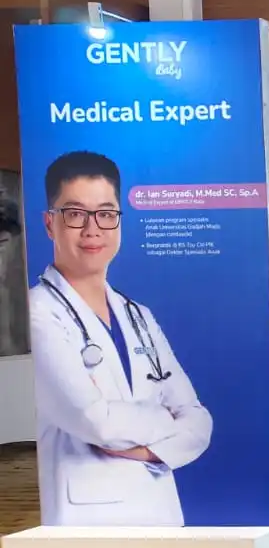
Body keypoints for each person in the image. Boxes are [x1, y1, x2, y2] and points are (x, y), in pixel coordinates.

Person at [29, 150, 212, 527]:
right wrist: (165, 420)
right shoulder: (39, 312)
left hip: (160, 512)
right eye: (75, 213)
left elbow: (198, 420)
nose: (92, 229)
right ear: (50, 224)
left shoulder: (138, 316)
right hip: (89, 519)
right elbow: (95, 421)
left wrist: (147, 449)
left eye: (106, 213)